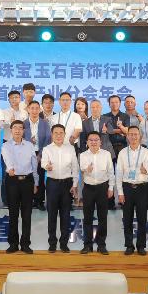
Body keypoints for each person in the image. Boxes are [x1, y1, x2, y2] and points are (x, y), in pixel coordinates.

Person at [1, 120, 38, 254]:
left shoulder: (29, 145)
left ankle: (25, 244)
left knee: (27, 214)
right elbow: (7, 159)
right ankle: (13, 244)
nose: (17, 130)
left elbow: (34, 165)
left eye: (20, 128)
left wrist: (36, 182)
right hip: (12, 181)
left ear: (24, 131)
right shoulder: (6, 146)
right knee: (13, 214)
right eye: (15, 128)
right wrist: (10, 168)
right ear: (11, 130)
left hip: (27, 181)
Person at [42, 124, 79, 253]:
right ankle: (52, 243)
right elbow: (43, 163)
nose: (58, 135)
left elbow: (75, 168)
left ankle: (64, 243)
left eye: (61, 133)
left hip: (67, 184)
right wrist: (47, 166)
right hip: (52, 184)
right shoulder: (47, 149)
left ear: (64, 134)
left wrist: (75, 184)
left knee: (65, 215)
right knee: (51, 214)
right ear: (52, 135)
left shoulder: (70, 149)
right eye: (56, 133)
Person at [116, 126, 148, 256]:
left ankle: (141, 246)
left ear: (140, 136)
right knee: (127, 219)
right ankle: (129, 245)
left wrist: (144, 170)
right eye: (131, 134)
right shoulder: (122, 153)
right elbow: (119, 173)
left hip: (142, 188)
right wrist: (120, 192)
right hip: (127, 188)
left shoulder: (146, 152)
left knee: (142, 218)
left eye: (136, 134)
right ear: (127, 136)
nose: (133, 136)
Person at [79, 131, 114, 255]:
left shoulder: (106, 154)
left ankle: (101, 245)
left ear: (100, 142)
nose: (93, 142)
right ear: (87, 142)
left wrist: (111, 188)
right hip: (88, 189)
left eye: (96, 140)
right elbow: (82, 169)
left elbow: (111, 172)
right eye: (91, 140)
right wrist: (87, 169)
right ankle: (87, 245)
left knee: (102, 218)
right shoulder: (83, 155)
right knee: (87, 218)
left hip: (102, 188)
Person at [24, 100, 51, 211]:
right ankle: (29, 200)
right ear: (28, 109)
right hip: (26, 153)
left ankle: (39, 201)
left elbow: (48, 139)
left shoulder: (45, 123)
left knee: (40, 176)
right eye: (32, 108)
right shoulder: (23, 123)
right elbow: (20, 138)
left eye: (36, 108)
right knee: (28, 178)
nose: (34, 111)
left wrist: (40, 154)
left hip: (41, 152)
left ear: (40, 110)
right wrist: (29, 142)